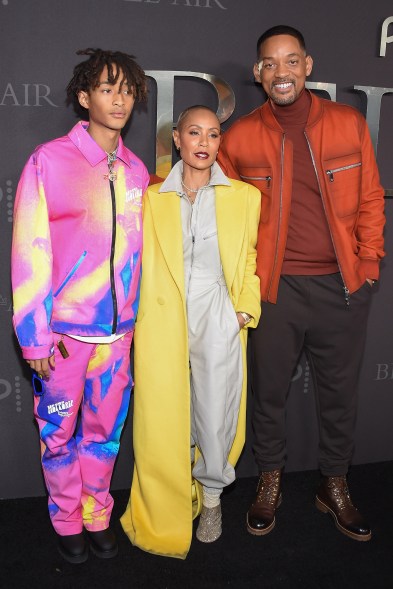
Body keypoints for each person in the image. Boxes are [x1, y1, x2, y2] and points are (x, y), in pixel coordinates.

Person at [217, 25, 385, 542]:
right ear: (258, 73)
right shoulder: (241, 135)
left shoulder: (347, 123)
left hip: (341, 287)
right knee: (268, 395)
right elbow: (217, 205)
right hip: (275, 291)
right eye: (270, 63)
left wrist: (369, 265)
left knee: (339, 397)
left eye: (291, 61)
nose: (281, 72)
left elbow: (373, 198)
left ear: (308, 66)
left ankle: (333, 484)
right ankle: (269, 481)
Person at [11, 48, 149, 563]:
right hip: (63, 339)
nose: (120, 99)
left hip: (118, 337)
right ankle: (66, 516)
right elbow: (29, 251)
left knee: (105, 436)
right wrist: (34, 336)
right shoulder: (49, 161)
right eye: (108, 89)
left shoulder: (136, 171)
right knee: (58, 435)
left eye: (128, 90)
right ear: (84, 97)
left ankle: (97, 513)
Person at [120, 105, 261, 558]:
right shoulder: (150, 196)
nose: (203, 142)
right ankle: (172, 499)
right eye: (194, 133)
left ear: (221, 143)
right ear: (176, 138)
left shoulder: (244, 196)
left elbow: (249, 260)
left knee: (215, 408)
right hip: (162, 313)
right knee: (165, 411)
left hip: (217, 308)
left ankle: (214, 497)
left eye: (213, 134)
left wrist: (241, 310)